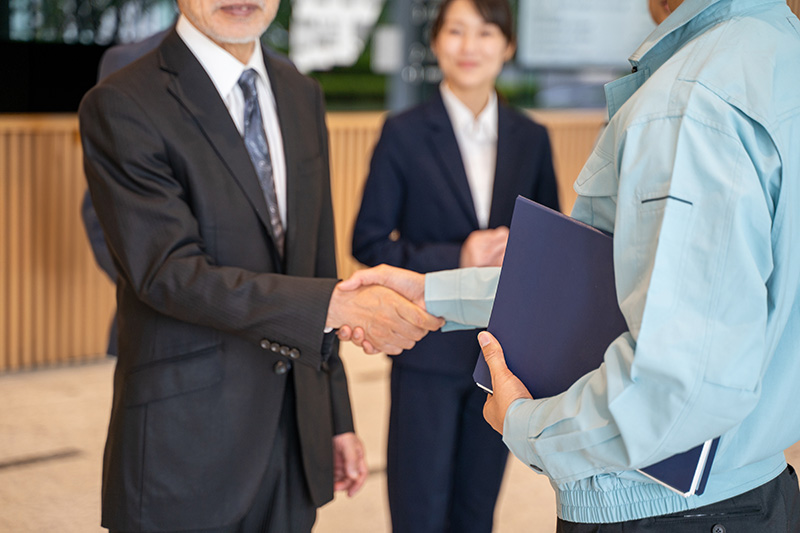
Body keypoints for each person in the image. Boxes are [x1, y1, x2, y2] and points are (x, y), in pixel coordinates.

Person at [341, 0, 800, 530]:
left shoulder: (688, 101)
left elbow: (676, 382)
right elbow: (592, 273)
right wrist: (436, 292)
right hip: (759, 488)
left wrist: (526, 424)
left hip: (665, 509)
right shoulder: (778, 56)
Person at [78, 0, 444, 530]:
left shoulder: (301, 93)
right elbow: (168, 273)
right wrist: (339, 304)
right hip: (184, 444)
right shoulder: (123, 101)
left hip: (293, 435)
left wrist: (335, 415)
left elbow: (315, 262)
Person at [350, 0, 559, 530]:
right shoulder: (402, 131)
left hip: (500, 359)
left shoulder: (531, 137)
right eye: (457, 32)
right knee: (418, 509)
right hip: (426, 349)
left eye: (486, 33)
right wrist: (457, 258)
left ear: (507, 46)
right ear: (437, 42)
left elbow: (550, 244)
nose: (471, 47)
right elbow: (369, 239)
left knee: (476, 510)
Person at [80, 27, 171, 356]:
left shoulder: (286, 75)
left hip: (271, 342)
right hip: (159, 327)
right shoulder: (131, 62)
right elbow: (100, 209)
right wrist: (146, 286)